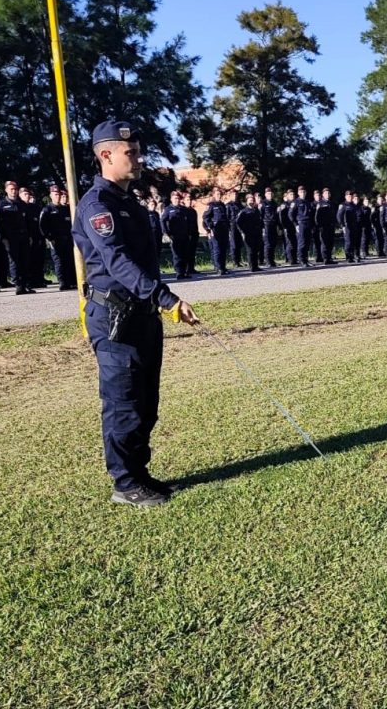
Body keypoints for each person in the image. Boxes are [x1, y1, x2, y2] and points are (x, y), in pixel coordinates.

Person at [72, 120, 199, 507]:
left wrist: (155, 301)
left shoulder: (129, 203)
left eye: (139, 152)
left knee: (146, 402)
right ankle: (125, 483)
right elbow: (117, 261)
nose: (139, 159)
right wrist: (166, 299)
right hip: (114, 319)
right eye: (131, 153)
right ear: (105, 155)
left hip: (141, 315)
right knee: (123, 402)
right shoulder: (98, 205)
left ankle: (139, 474)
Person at [202, 187, 230, 275]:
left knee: (223, 249)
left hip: (224, 230)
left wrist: (228, 228)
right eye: (217, 194)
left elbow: (225, 217)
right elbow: (205, 217)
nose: (219, 195)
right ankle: (218, 268)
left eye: (220, 194)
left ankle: (223, 267)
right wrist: (210, 228)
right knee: (217, 249)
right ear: (213, 195)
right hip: (215, 230)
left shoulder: (222, 205)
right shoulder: (211, 205)